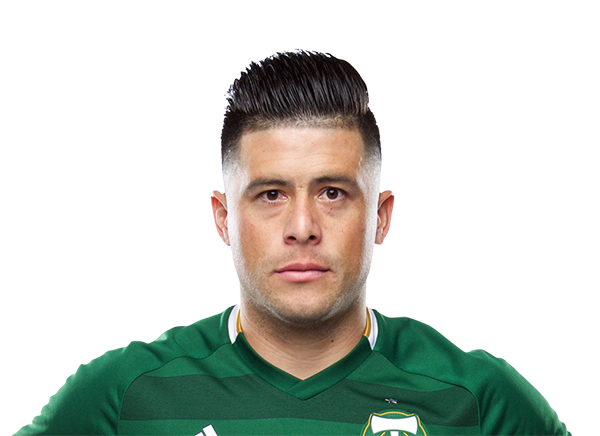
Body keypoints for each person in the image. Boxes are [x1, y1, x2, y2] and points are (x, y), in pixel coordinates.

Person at [16, 50, 570, 436]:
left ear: (381, 217)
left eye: (332, 193)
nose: (302, 226)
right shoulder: (126, 393)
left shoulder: (477, 397)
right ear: (222, 217)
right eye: (270, 194)